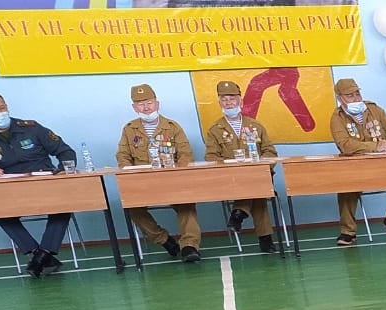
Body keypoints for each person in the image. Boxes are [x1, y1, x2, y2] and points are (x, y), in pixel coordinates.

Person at [0, 91, 76, 278]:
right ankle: (37, 253)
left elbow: (65, 151)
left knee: (64, 206)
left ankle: (43, 253)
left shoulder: (32, 128)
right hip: (12, 191)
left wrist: (64, 170)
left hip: (44, 184)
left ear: (7, 107)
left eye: (2, 108)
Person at [115, 83, 202, 263]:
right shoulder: (129, 129)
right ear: (134, 107)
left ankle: (189, 246)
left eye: (149, 103)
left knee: (186, 204)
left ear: (157, 103)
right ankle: (164, 240)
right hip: (143, 182)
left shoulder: (172, 127)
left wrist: (177, 174)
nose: (146, 108)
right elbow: (122, 156)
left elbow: (186, 154)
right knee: (132, 207)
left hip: (172, 180)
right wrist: (130, 174)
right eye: (140, 104)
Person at [328, 78, 386, 247]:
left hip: (384, 165)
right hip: (356, 168)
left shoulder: (374, 110)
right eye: (350, 95)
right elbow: (345, 145)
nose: (356, 98)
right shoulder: (337, 118)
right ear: (340, 98)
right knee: (346, 187)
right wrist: (375, 146)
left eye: (357, 94)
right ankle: (348, 231)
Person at [203, 79, 278, 253]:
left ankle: (239, 212)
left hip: (257, 174)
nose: (228, 103)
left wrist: (262, 167)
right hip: (232, 178)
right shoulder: (215, 129)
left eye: (232, 98)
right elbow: (211, 157)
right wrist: (228, 167)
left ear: (240, 101)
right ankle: (265, 238)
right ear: (220, 103)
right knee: (257, 192)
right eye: (224, 99)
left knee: (257, 185)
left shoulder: (255, 126)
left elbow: (270, 151)